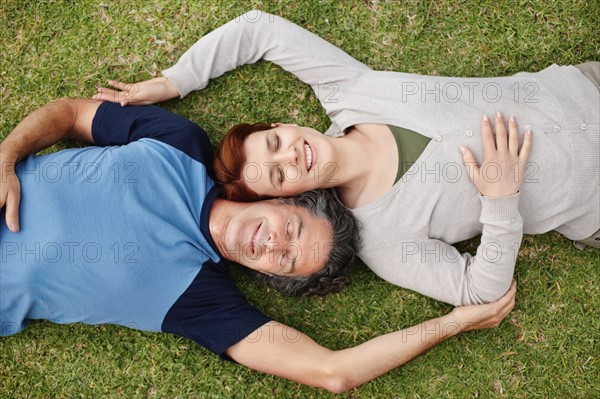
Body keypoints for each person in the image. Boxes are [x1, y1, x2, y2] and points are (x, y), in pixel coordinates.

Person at [0, 98, 516, 393]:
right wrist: (8, 153)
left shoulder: (201, 302)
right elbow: (69, 114)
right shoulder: (180, 146)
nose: (273, 245)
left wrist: (455, 322)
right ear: (283, 198)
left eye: (285, 263)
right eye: (291, 230)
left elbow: (333, 372)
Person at [93, 10, 599, 306]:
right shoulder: (382, 241)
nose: (290, 157)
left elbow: (259, 30)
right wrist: (502, 203)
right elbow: (478, 290)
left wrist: (174, 80)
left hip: (582, 86)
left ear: (280, 126)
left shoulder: (351, 91)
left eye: (275, 144)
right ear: (292, 198)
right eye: (278, 178)